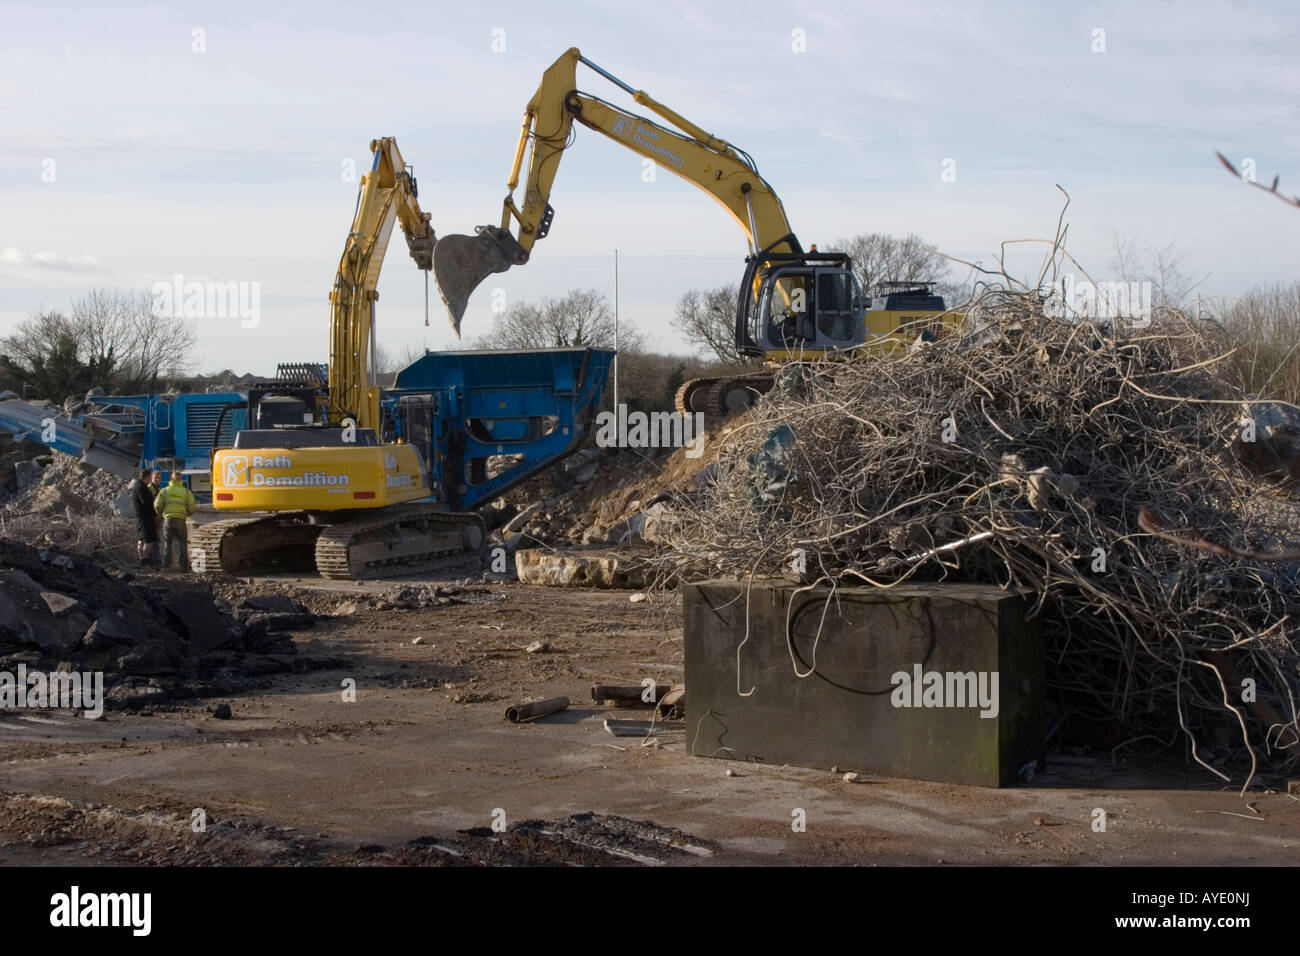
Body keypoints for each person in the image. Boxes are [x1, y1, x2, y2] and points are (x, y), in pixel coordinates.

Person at [154, 471, 197, 571]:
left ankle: (167, 566)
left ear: (171, 479)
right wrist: (187, 513)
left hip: (168, 519)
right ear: (180, 480)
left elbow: (157, 505)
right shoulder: (186, 492)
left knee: (167, 542)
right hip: (180, 519)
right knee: (182, 542)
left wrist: (161, 512)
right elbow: (192, 506)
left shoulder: (164, 491)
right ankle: (182, 566)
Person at [130, 469, 159, 565]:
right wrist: (154, 501)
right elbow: (146, 502)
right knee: (148, 540)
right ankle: (145, 561)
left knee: (141, 539)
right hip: (145, 517)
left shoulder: (138, 486)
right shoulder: (141, 488)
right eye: (150, 477)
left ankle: (142, 558)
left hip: (141, 517)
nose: (151, 479)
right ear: (147, 477)